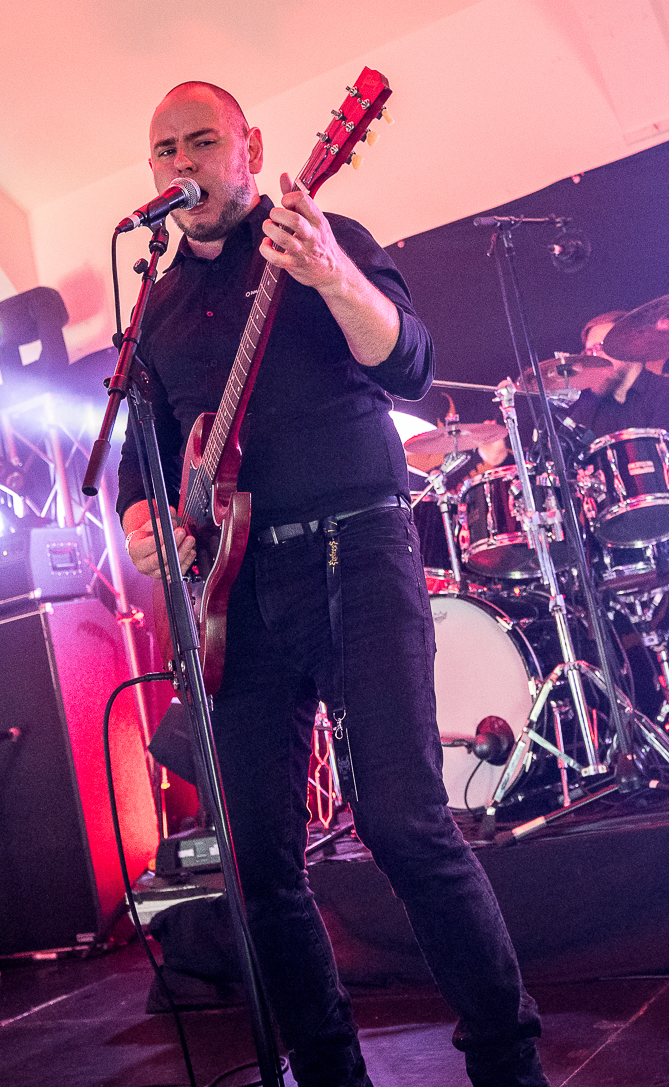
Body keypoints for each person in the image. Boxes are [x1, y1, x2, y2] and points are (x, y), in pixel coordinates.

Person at [117, 82, 547, 1087]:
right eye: (165, 149)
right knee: (256, 860)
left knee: (402, 818)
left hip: (356, 549)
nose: (182, 162)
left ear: (250, 147)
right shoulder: (155, 307)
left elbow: (410, 365)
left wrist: (332, 275)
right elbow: (143, 461)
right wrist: (142, 521)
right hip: (236, 592)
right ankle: (327, 1067)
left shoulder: (324, 234)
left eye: (203, 141)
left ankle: (507, 1060)